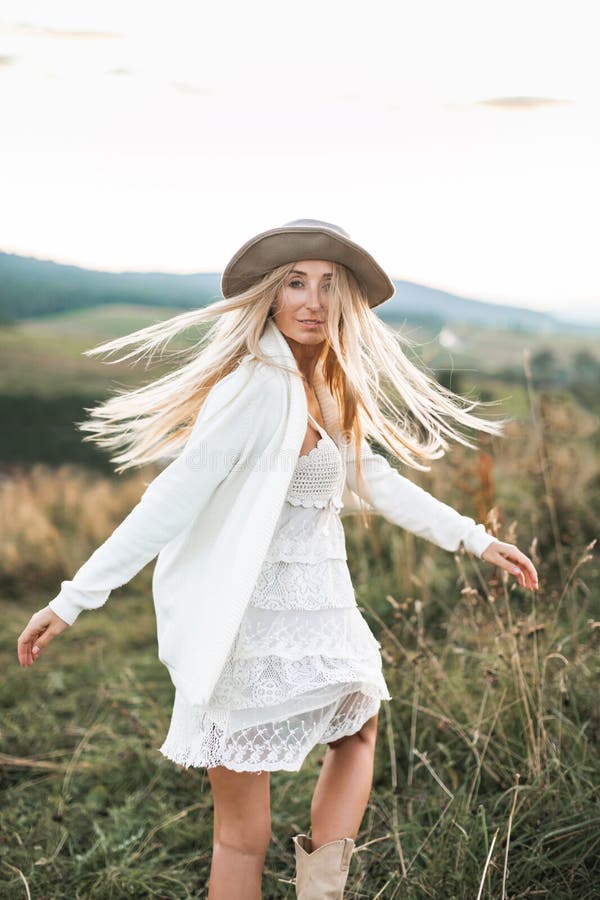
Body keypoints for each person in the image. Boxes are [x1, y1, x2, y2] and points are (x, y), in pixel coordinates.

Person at [17, 219, 539, 899]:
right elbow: (170, 499)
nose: (312, 301)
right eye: (295, 283)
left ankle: (321, 890)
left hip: (312, 613)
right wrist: (73, 598)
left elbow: (370, 478)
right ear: (269, 296)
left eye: (328, 286)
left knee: (358, 722)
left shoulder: (319, 383)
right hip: (247, 627)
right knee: (243, 838)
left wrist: (475, 537)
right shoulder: (255, 387)